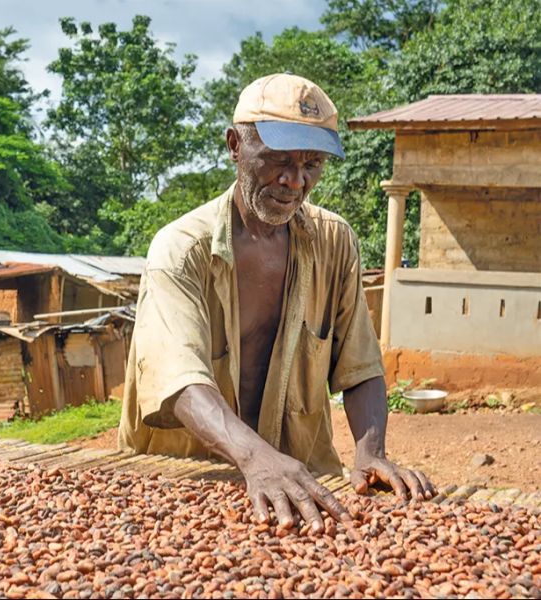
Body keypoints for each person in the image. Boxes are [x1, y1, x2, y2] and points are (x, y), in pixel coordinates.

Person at [117, 73, 436, 532]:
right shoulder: (181, 249)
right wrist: (256, 457)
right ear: (234, 146)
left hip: (298, 480)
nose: (294, 181)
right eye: (278, 160)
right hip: (186, 478)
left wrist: (370, 454)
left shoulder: (334, 242)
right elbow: (179, 380)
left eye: (312, 165)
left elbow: (360, 366)